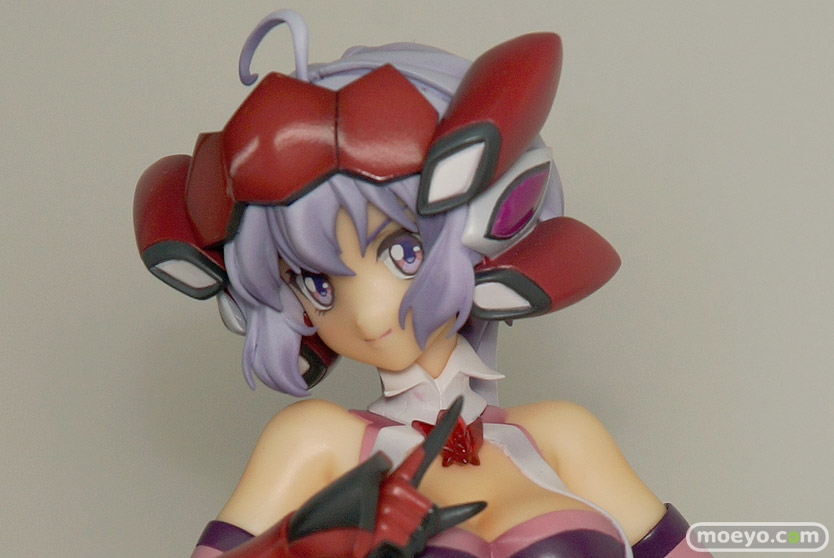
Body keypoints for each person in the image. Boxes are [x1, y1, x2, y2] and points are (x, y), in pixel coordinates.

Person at [134, 9, 707, 558]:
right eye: (317, 283)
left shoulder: (561, 434)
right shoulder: (315, 442)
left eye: (403, 252)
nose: (367, 313)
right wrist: (304, 544)